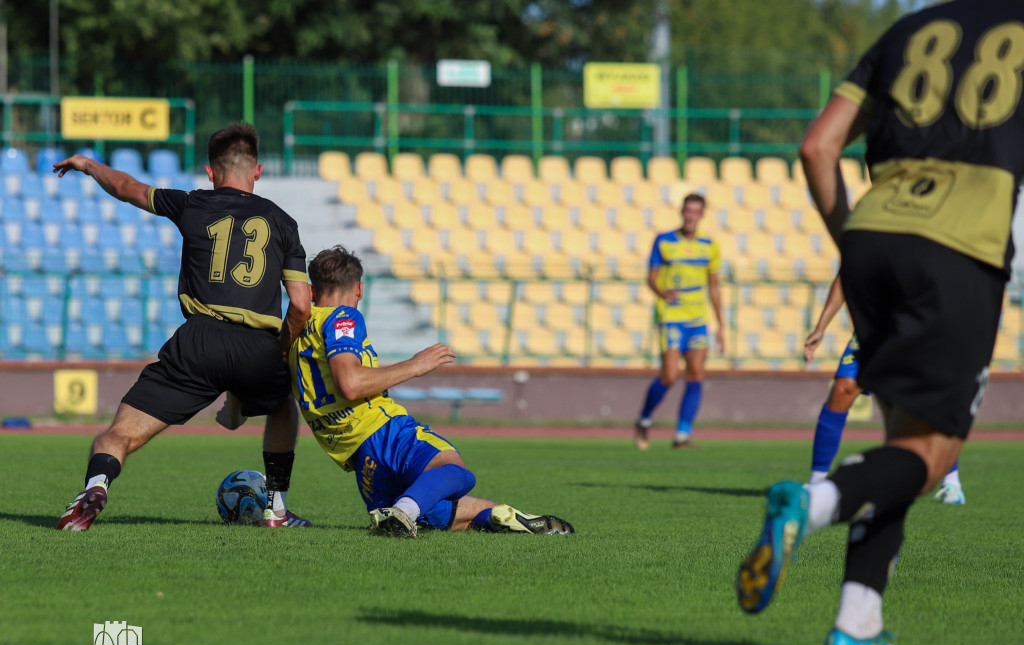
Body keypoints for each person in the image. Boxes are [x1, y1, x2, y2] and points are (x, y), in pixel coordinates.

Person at [737, 1, 1023, 645]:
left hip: (871, 236)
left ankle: (856, 625)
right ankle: (808, 507)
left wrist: (855, 246)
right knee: (929, 455)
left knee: (897, 450)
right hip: (960, 247)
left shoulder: (910, 29)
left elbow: (817, 147)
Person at [55, 122, 313, 531]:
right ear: (258, 172)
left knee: (119, 433)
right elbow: (301, 304)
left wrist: (87, 164)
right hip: (258, 347)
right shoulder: (284, 222)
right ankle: (276, 508)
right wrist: (280, 349)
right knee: (282, 406)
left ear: (211, 173)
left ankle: (98, 483)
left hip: (198, 341)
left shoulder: (193, 203)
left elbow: (125, 186)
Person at [290, 246, 574, 537]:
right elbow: (350, 384)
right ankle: (405, 511)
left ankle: (505, 517)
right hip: (383, 431)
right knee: (457, 473)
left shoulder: (297, 331)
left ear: (311, 292)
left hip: (360, 455)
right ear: (360, 289)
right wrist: (415, 365)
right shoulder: (342, 318)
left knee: (448, 510)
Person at [804, 275, 966, 504]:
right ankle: (817, 482)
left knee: (928, 397)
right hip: (874, 326)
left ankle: (951, 482)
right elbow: (846, 273)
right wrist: (821, 327)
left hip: (921, 321)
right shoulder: (867, 240)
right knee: (843, 389)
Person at [634, 193, 724, 450]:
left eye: (696, 211)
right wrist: (662, 292)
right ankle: (644, 418)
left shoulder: (709, 244)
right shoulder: (664, 241)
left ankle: (682, 435)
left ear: (702, 214)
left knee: (696, 374)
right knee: (670, 375)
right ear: (681, 212)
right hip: (672, 316)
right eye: (687, 211)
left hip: (697, 317)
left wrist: (721, 325)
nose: (691, 216)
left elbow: (714, 286)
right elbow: (651, 277)